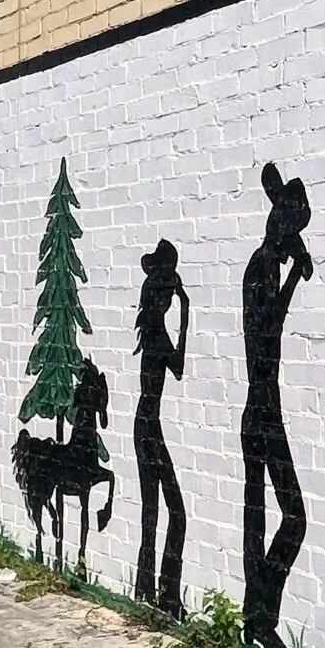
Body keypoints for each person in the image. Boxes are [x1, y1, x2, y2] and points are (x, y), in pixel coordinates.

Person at [240, 164, 312, 648]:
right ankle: (261, 618)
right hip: (262, 406)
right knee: (290, 517)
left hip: (263, 407)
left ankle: (255, 616)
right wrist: (292, 282)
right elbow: (268, 333)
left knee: (263, 516)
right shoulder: (263, 268)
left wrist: (293, 266)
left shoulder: (265, 263)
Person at [133, 240, 190, 614]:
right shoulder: (157, 333)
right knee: (175, 514)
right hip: (148, 429)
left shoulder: (153, 330)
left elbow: (177, 370)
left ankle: (148, 592)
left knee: (154, 512)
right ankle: (166, 596)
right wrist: (186, 316)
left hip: (145, 426)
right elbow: (180, 367)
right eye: (169, 292)